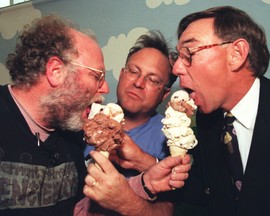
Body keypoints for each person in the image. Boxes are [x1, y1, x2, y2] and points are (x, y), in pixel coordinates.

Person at [0, 15, 191, 216]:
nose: (106, 88)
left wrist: (144, 184)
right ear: (56, 71)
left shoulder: (70, 131)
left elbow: (82, 208)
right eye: (96, 76)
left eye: (153, 80)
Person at [167, 6, 270, 216]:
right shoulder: (207, 122)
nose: (176, 68)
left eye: (189, 53)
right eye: (177, 56)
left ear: (237, 54)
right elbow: (210, 194)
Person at [84, 30, 177, 178]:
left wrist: (143, 160)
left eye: (153, 80)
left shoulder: (171, 135)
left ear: (165, 94)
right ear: (121, 74)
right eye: (133, 71)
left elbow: (177, 190)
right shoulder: (84, 118)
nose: (139, 83)